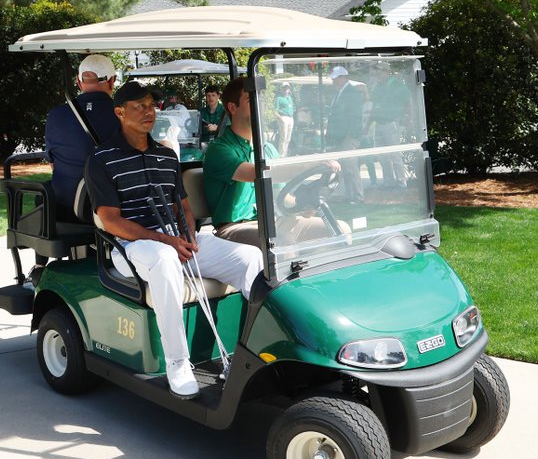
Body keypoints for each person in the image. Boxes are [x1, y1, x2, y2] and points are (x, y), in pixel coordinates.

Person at [86, 81, 263, 399]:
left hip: (173, 238)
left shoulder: (166, 156)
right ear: (120, 112)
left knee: (251, 258)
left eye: (151, 106)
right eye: (139, 107)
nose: (148, 112)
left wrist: (189, 234)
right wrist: (165, 240)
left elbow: (183, 207)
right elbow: (111, 221)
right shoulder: (101, 159)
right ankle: (178, 363)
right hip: (131, 246)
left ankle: (251, 353)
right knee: (165, 258)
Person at [204, 78, 338, 247]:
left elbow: (281, 195)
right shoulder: (220, 149)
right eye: (251, 100)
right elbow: (259, 173)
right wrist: (309, 164)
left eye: (260, 99)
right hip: (235, 226)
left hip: (272, 221)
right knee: (280, 241)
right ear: (232, 108)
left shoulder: (267, 149)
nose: (259, 105)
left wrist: (303, 204)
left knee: (338, 229)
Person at [44, 54, 119, 220]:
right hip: (112, 210)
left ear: (79, 82)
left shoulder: (56, 115)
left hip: (63, 208)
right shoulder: (123, 114)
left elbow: (52, 163)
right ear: (111, 81)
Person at [326, 66, 365, 203]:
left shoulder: (352, 93)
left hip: (349, 136)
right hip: (340, 137)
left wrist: (350, 136)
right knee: (345, 168)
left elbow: (354, 117)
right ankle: (350, 195)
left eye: (336, 79)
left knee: (351, 167)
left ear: (343, 77)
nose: (333, 82)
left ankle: (358, 196)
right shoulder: (340, 93)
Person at [368, 63, 411, 188]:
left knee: (394, 154)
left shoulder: (396, 84)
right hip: (379, 124)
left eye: (380, 71)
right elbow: (372, 106)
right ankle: (388, 182)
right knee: (382, 155)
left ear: (387, 71)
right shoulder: (378, 86)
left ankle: (401, 182)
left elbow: (408, 102)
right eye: (376, 71)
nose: (377, 74)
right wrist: (367, 126)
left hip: (391, 123)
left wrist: (409, 120)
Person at [274, 81, 295, 156]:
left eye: (287, 88)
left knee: (288, 138)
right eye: (284, 88)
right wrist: (281, 119)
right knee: (283, 137)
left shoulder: (290, 98)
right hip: (283, 118)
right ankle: (281, 155)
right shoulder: (278, 99)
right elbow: (275, 111)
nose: (286, 90)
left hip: (291, 118)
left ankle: (285, 154)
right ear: (282, 89)